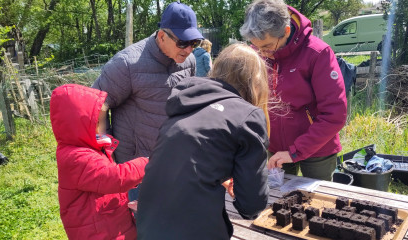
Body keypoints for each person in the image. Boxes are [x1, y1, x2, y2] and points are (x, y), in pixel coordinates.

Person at [136, 43, 270, 240]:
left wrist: (217, 171)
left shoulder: (184, 102)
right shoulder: (247, 115)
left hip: (148, 225)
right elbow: (251, 204)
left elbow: (186, 159)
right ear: (256, 82)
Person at [92, 1, 204, 201]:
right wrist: (107, 151)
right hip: (137, 172)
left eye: (194, 43)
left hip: (176, 163)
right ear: (162, 36)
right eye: (182, 43)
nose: (188, 50)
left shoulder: (190, 61)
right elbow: (96, 105)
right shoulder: (127, 64)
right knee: (143, 228)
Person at [240, 0, 347, 181]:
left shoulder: (317, 53)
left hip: (317, 147)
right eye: (256, 46)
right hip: (274, 148)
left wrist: (296, 151)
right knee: (277, 199)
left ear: (286, 32)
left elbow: (334, 113)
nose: (261, 53)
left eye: (266, 46)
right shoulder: (256, 53)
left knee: (317, 200)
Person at [49, 84, 149, 240]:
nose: (104, 126)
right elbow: (115, 178)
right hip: (97, 233)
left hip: (110, 225)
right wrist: (147, 163)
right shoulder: (76, 158)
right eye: (99, 122)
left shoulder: (90, 150)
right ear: (79, 125)